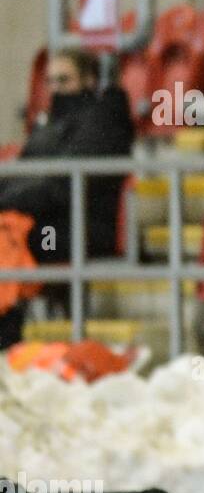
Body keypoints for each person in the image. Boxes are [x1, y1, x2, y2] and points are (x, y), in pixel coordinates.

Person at [0, 48, 134, 347]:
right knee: (8, 238)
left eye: (64, 80)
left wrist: (8, 202)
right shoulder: (46, 126)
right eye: (50, 82)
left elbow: (62, 187)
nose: (56, 89)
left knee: (13, 243)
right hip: (44, 221)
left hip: (78, 227)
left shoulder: (102, 119)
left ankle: (6, 340)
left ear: (88, 79)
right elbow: (21, 176)